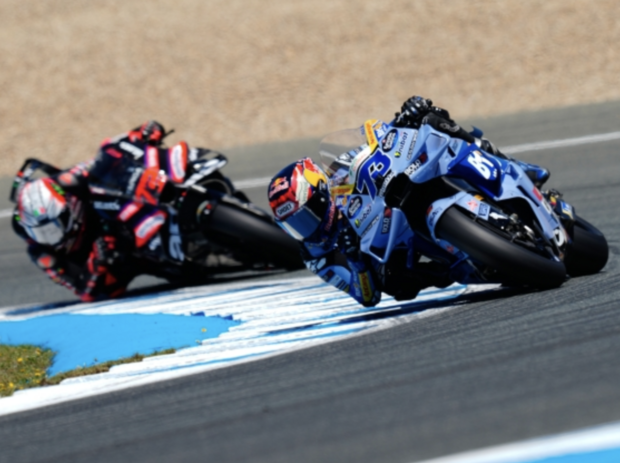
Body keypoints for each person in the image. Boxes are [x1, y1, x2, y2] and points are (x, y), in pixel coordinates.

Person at [267, 96, 551, 307]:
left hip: (395, 198)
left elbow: (374, 142)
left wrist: (404, 118)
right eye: (295, 226)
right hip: (394, 249)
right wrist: (356, 261)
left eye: (308, 216)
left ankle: (513, 165)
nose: (307, 229)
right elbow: (366, 296)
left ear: (322, 193)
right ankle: (463, 261)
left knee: (432, 120)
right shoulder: (314, 254)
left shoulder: (339, 175)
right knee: (395, 285)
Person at [12, 121, 225, 301]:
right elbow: (84, 292)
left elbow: (106, 157)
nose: (51, 238)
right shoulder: (42, 253)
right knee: (186, 274)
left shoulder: (68, 182)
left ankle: (192, 185)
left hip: (124, 213)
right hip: (123, 258)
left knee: (150, 168)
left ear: (69, 208)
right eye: (40, 233)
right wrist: (97, 262)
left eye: (52, 228)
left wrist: (139, 135)